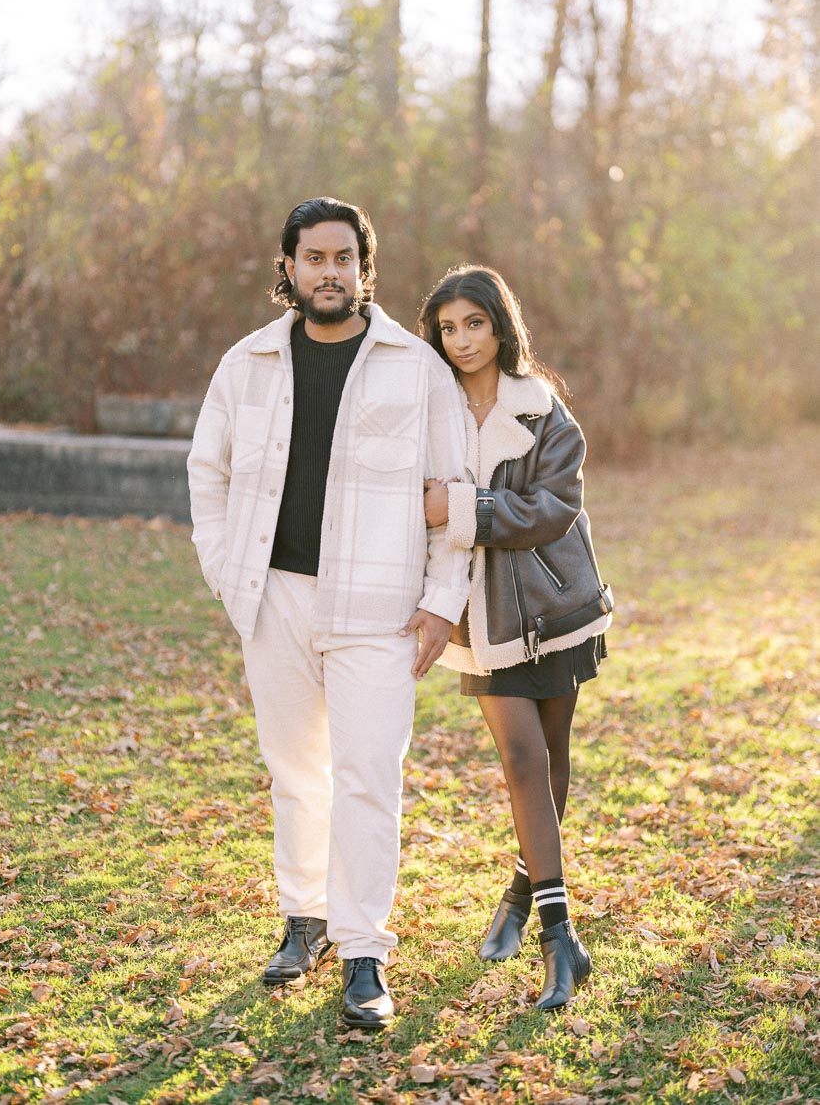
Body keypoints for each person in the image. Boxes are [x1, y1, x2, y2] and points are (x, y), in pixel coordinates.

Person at [187, 198, 471, 1029]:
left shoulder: (414, 368)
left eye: (344, 258)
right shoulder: (246, 365)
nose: (329, 272)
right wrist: (223, 567)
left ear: (363, 267)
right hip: (274, 595)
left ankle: (363, 954)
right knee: (294, 770)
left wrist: (441, 603)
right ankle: (303, 921)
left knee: (368, 774)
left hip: (378, 608)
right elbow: (209, 472)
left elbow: (453, 496)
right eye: (313, 258)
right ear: (289, 268)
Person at [419, 265, 612, 1010]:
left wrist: (462, 507)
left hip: (557, 604)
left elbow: (554, 507)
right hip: (484, 619)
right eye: (448, 327)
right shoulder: (428, 410)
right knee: (522, 755)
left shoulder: (543, 410)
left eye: (475, 323)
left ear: (500, 325)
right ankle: (561, 939)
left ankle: (520, 891)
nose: (462, 340)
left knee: (554, 758)